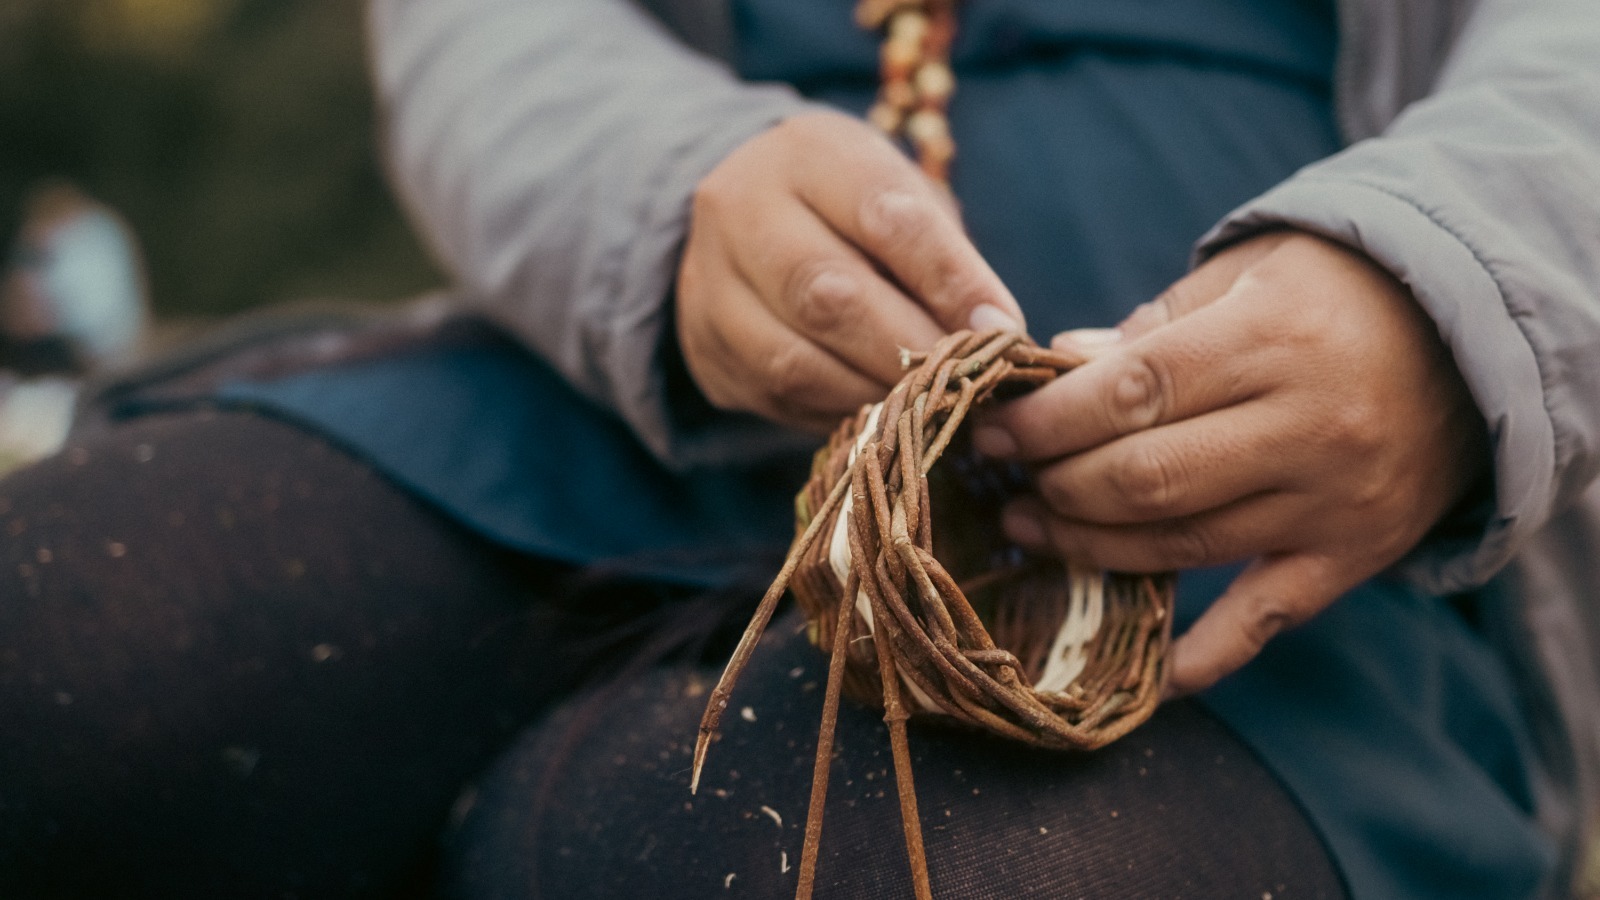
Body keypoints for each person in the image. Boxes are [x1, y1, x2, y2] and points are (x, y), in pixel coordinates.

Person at [1, 0, 1596, 897]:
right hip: (623, 371)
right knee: (69, 654)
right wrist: (663, 192)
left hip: (1255, 494)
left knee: (715, 864)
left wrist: (1443, 292)